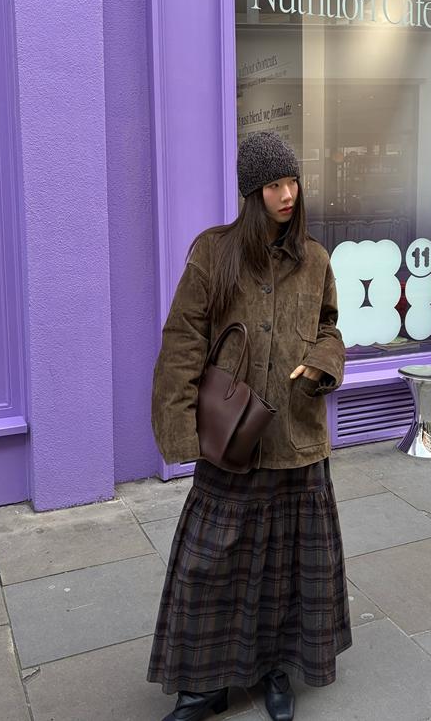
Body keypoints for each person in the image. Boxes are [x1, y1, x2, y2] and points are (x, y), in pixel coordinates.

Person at [147, 130, 352, 721]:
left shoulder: (315, 260)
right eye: (273, 185)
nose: (287, 195)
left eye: (293, 182)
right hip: (233, 440)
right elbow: (183, 340)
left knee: (287, 570)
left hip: (296, 436)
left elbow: (331, 328)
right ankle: (203, 684)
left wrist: (322, 362)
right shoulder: (213, 253)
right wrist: (181, 430)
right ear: (251, 192)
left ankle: (274, 670)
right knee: (209, 566)